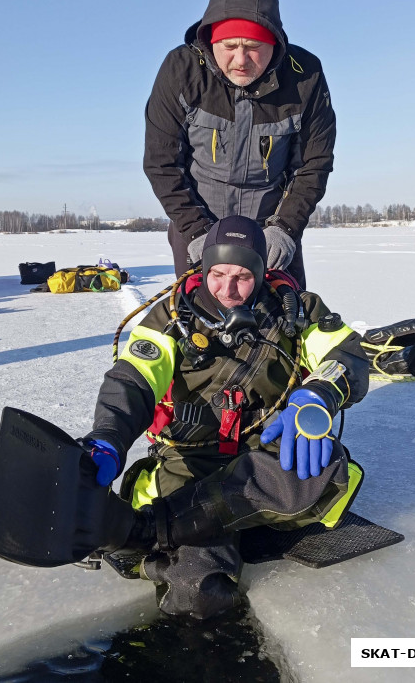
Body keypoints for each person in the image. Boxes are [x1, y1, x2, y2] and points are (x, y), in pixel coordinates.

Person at [79, 216, 369, 620]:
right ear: (203, 267)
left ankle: (160, 527)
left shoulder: (297, 309)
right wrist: (108, 435)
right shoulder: (170, 317)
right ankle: (179, 527)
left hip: (263, 453)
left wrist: (317, 395)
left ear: (261, 273)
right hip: (189, 459)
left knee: (329, 466)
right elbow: (133, 380)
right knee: (198, 588)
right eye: (217, 274)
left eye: (242, 277)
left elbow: (347, 356)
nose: (228, 289)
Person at [143, 0, 336, 289]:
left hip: (271, 227)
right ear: (211, 41)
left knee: (288, 311)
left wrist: (285, 229)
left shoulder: (305, 76)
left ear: (275, 43)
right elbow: (161, 163)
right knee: (199, 312)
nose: (241, 59)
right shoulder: (181, 71)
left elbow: (313, 164)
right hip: (198, 222)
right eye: (229, 45)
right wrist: (196, 231)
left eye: (254, 46)